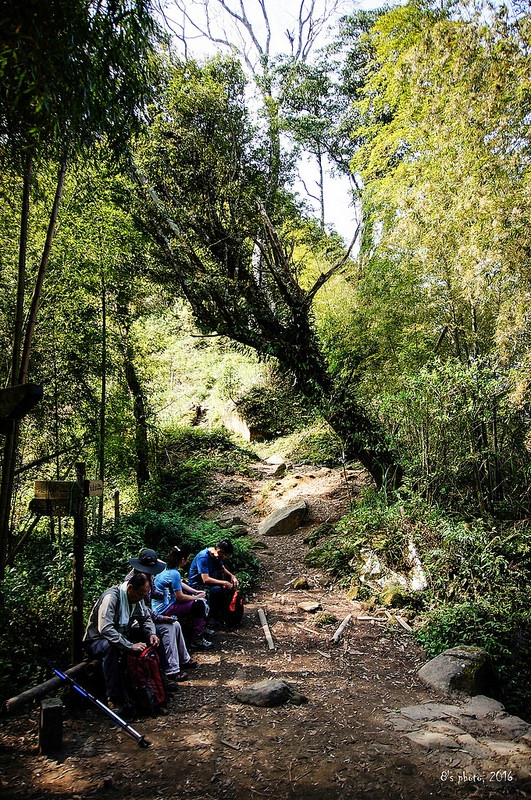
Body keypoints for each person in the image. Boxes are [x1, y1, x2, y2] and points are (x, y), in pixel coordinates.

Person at [83, 572, 159, 716]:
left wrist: (152, 634)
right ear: (130, 589)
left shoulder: (137, 598)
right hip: (96, 641)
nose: (141, 599)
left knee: (152, 636)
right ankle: (113, 697)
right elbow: (105, 628)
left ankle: (152, 687)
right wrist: (129, 646)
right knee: (109, 647)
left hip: (121, 636)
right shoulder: (111, 598)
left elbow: (146, 618)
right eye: (140, 595)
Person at [127, 548, 197, 681]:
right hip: (137, 620)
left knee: (175, 624)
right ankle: (171, 669)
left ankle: (184, 659)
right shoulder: (134, 582)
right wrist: (162, 617)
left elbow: (153, 592)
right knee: (168, 627)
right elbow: (141, 609)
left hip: (148, 616)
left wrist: (166, 592)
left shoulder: (148, 575)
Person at [153, 544, 213, 650]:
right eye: (188, 558)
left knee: (196, 600)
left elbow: (179, 583)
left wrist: (195, 592)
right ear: (182, 559)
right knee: (198, 605)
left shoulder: (166, 567)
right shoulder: (174, 573)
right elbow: (180, 597)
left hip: (163, 603)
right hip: (165, 608)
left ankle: (200, 628)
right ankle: (197, 638)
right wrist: (196, 597)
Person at [187, 540, 239, 627]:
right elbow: (205, 579)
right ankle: (211, 618)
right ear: (219, 551)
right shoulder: (203, 557)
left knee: (226, 589)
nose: (225, 558)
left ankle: (224, 616)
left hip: (209, 584)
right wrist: (224, 582)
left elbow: (222, 568)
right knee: (217, 590)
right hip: (197, 586)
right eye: (225, 555)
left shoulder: (217, 557)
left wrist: (232, 577)